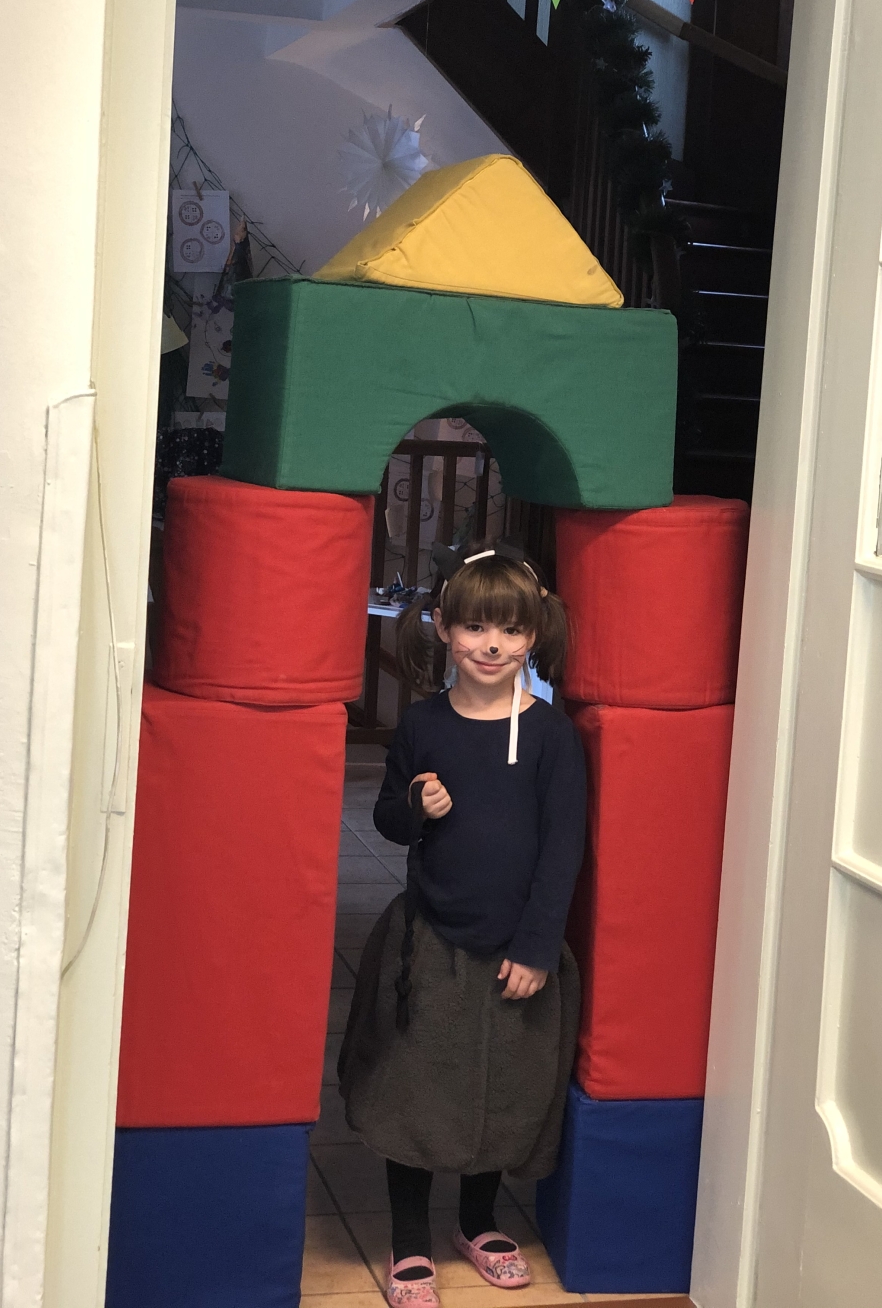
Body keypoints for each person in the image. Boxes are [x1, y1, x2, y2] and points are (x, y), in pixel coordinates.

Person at [338, 540, 586, 1306]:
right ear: (443, 627)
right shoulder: (421, 724)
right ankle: (409, 1239)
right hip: (429, 942)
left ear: (533, 634)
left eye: (510, 629)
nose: (491, 645)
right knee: (414, 1088)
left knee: (502, 1087)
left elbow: (563, 849)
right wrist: (415, 806)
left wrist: (536, 947)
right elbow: (387, 818)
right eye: (475, 626)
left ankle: (478, 1222)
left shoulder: (550, 736)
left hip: (516, 950)